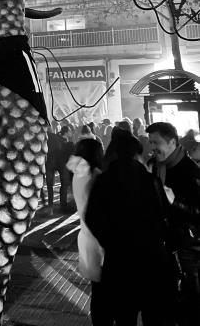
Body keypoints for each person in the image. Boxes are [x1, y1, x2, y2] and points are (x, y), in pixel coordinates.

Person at [86, 132, 177, 325]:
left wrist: (109, 241)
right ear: (138, 154)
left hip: (118, 261)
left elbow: (92, 218)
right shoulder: (150, 180)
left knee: (124, 315)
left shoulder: (104, 181)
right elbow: (165, 217)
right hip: (150, 260)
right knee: (153, 315)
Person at [147, 121, 200, 325]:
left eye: (156, 142)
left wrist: (175, 203)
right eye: (150, 142)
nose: (152, 147)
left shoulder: (191, 171)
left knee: (190, 304)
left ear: (172, 143)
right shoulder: (154, 167)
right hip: (164, 246)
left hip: (188, 250)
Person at [66, 139, 104, 324]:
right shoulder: (95, 174)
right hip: (98, 237)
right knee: (104, 292)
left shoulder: (77, 171)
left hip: (85, 234)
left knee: (97, 292)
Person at [45, 125, 74, 212]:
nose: (71, 133)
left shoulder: (59, 139)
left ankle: (53, 206)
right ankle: (59, 206)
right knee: (59, 185)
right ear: (66, 132)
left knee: (54, 185)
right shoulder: (55, 138)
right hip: (55, 164)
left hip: (54, 164)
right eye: (70, 131)